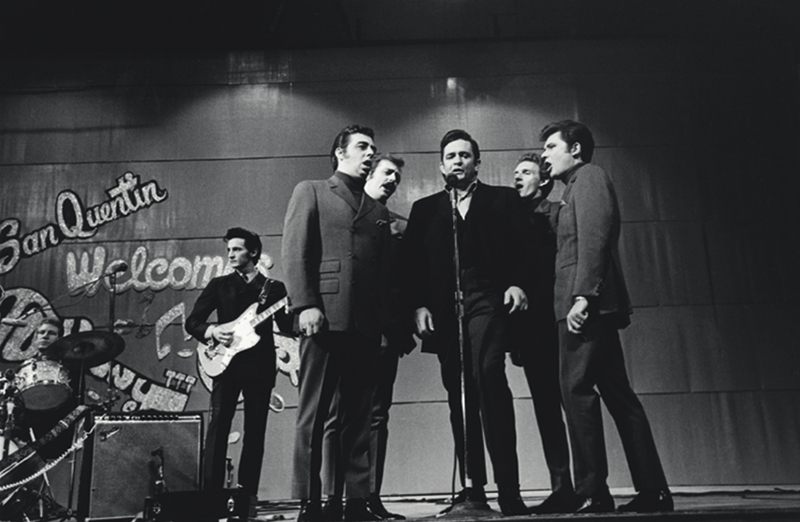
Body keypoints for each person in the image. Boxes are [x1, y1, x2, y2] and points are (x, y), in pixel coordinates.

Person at [539, 120, 673, 513]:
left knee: (576, 391)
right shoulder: (572, 189)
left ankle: (593, 491)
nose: (545, 154)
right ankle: (653, 491)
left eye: (550, 146)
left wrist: (582, 297)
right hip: (588, 303)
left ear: (576, 149)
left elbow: (595, 238)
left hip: (582, 306)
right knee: (618, 395)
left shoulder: (590, 177)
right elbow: (567, 232)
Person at [402, 129, 532, 516]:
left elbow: (524, 250)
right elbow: (412, 266)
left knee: (490, 377)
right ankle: (474, 488)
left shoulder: (503, 200)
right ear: (442, 165)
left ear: (478, 162)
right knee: (460, 393)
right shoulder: (425, 209)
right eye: (451, 156)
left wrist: (517, 283)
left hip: (489, 301)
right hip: (447, 311)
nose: (458, 161)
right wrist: (418, 306)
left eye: (465, 155)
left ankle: (509, 489)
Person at [282, 124, 391, 522]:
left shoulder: (377, 210)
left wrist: (382, 326)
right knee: (314, 414)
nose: (369, 154)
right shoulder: (311, 190)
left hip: (364, 326)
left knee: (358, 418)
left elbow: (381, 275)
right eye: (362, 147)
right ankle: (310, 503)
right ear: (339, 153)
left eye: (373, 149)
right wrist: (305, 304)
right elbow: (296, 252)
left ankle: (356, 501)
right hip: (323, 319)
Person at [320, 154, 415, 521]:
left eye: (397, 176)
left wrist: (397, 331)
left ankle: (368, 497)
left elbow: (402, 285)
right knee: (334, 415)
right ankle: (330, 497)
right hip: (343, 330)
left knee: (376, 416)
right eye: (387, 173)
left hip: (383, 334)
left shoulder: (401, 227)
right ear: (368, 175)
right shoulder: (342, 217)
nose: (393, 180)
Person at [186, 227, 292, 499]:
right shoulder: (219, 285)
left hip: (260, 368)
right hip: (226, 365)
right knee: (218, 429)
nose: (230, 254)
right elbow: (193, 322)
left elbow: (286, 326)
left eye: (236, 249)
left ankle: (247, 498)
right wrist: (212, 331)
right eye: (229, 249)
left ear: (253, 252)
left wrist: (298, 312)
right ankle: (211, 496)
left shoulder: (274, 288)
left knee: (255, 433)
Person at [509, 153, 578, 513]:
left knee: (573, 404)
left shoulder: (555, 212)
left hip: (558, 322)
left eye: (526, 172)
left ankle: (587, 485)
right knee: (546, 409)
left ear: (544, 181)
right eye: (515, 173)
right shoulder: (508, 219)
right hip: (531, 330)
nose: (517, 177)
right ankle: (561, 485)